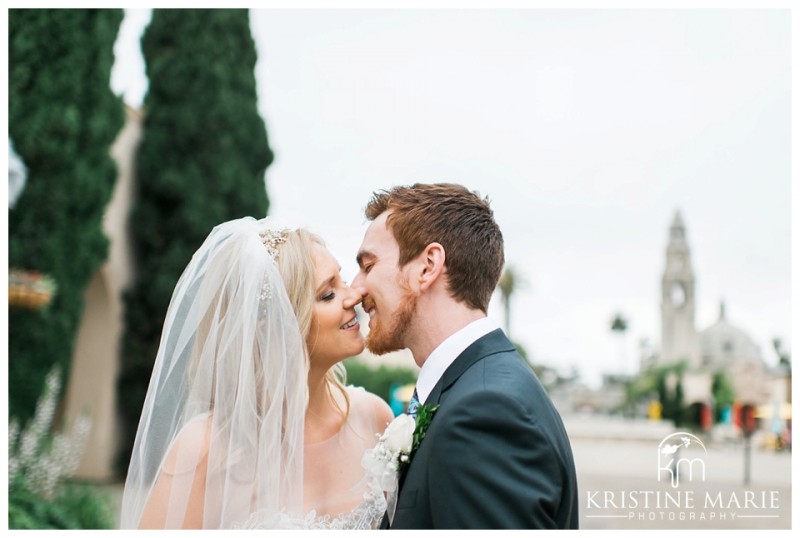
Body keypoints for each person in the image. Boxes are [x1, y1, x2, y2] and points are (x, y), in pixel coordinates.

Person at [120, 217, 394, 529]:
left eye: (341, 281)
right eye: (327, 294)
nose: (353, 296)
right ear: (278, 325)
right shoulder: (204, 448)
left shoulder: (374, 418)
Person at [351, 183, 579, 529]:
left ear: (428, 266)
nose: (355, 288)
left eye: (368, 265)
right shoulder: (477, 388)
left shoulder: (484, 413)